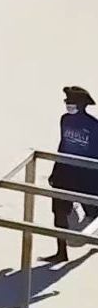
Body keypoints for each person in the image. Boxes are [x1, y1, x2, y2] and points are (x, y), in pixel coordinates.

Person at [54, 87, 98, 246]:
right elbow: (63, 145)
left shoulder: (94, 126)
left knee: (92, 211)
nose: (68, 105)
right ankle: (61, 251)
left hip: (87, 174)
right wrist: (56, 169)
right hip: (66, 171)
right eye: (67, 101)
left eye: (71, 102)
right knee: (58, 210)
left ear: (81, 104)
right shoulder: (64, 119)